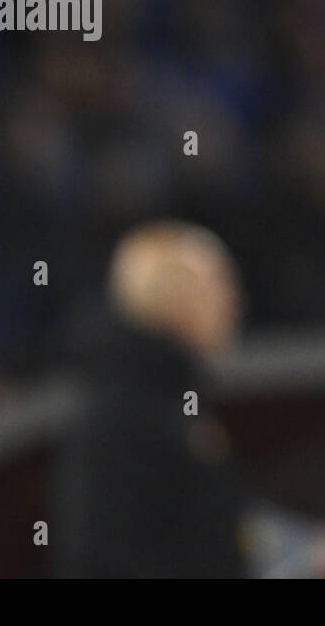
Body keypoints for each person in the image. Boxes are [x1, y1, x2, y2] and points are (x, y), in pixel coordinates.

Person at [51, 220, 249, 577]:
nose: (233, 300)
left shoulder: (171, 399)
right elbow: (103, 556)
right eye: (216, 284)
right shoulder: (125, 411)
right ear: (173, 298)